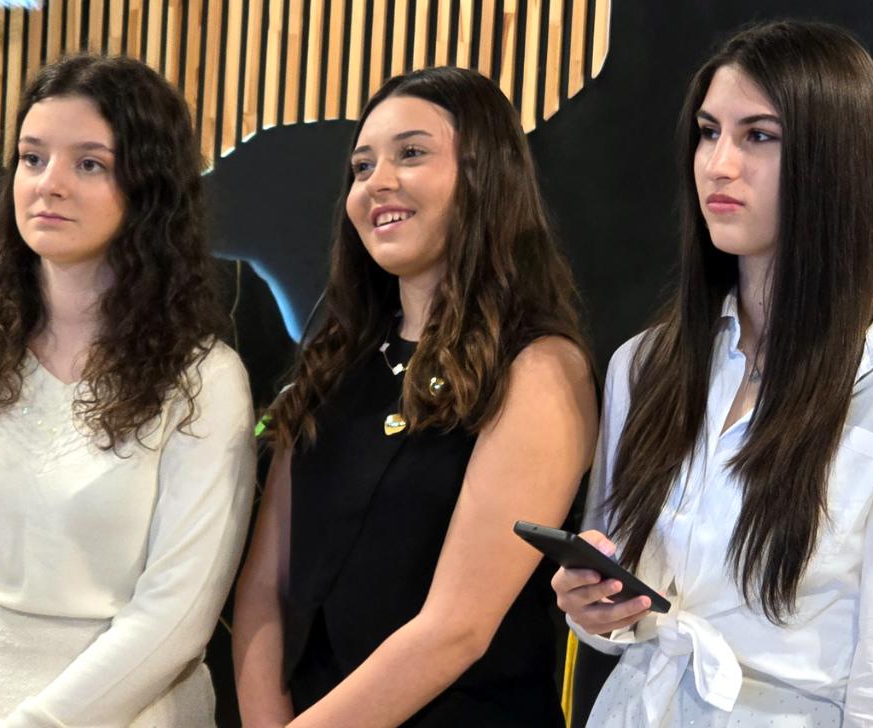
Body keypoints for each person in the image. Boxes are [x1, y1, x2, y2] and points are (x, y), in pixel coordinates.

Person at [552, 20, 873, 728]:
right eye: (709, 132)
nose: (719, 164)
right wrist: (593, 606)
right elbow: (615, 621)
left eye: (759, 136)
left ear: (835, 157)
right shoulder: (645, 365)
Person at [232, 66, 598, 727]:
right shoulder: (332, 363)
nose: (377, 182)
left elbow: (456, 629)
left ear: (484, 174)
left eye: (411, 153)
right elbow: (264, 591)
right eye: (362, 165)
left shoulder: (539, 368)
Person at [0, 54, 255, 727]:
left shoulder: (204, 381)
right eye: (32, 158)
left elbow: (176, 617)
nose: (48, 184)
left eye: (88, 164)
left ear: (147, 188)